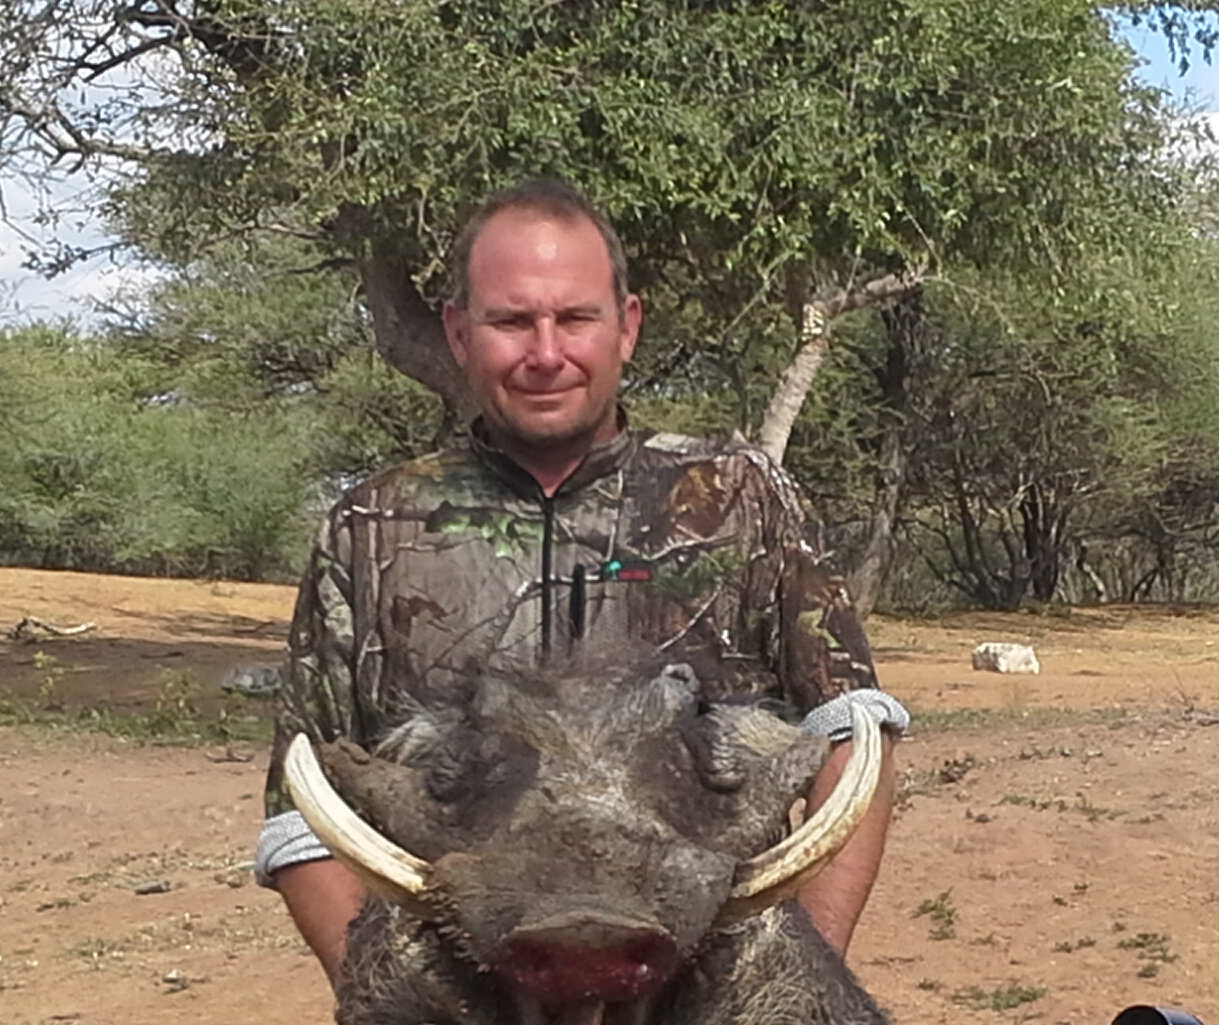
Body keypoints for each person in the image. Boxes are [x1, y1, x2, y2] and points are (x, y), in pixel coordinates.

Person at [254, 176, 905, 976]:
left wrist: (804, 983)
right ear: (459, 333)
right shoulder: (369, 525)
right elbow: (300, 807)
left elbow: (852, 736)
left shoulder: (738, 494)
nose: (546, 353)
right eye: (512, 321)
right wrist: (392, 1003)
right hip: (465, 1003)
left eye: (575, 318)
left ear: (626, 327)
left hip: (719, 991)